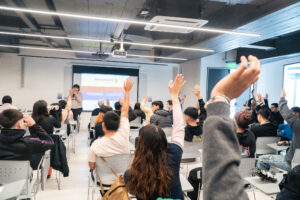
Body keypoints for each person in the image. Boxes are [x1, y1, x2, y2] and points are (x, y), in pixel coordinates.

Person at [203, 55, 260, 200]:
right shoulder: (252, 136)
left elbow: (220, 186)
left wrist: (220, 97)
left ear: (235, 123)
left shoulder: (230, 137)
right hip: (246, 176)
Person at [125, 74, 186, 200]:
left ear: (140, 144)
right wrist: (175, 96)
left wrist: (126, 93)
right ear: (164, 141)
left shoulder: (130, 174)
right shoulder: (174, 154)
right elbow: (179, 127)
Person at [88, 78, 133, 170]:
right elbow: (125, 111)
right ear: (118, 125)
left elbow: (91, 166)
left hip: (102, 182)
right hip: (122, 179)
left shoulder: (96, 144)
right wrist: (127, 92)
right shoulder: (124, 136)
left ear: (103, 125)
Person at [256, 89, 300, 172]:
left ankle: (264, 182)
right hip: (293, 158)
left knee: (262, 159)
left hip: (292, 164)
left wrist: (282, 98)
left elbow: (286, 114)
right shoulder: (288, 125)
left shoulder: (296, 125)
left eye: (292, 112)